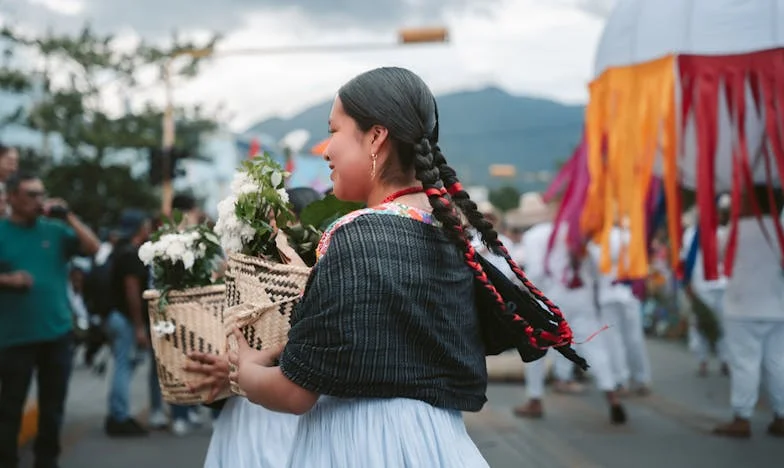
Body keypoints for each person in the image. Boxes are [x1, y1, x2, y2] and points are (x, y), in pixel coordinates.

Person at [225, 67, 577, 467]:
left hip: (359, 447)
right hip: (441, 445)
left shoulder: (355, 237)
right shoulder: (455, 236)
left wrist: (246, 371)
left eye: (334, 131)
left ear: (376, 137)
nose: (326, 150)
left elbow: (295, 393)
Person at [187, 187, 320, 467]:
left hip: (298, 417)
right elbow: (226, 346)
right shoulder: (241, 277)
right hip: (244, 421)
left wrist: (245, 371)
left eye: (280, 223)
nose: (272, 234)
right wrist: (225, 371)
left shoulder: (324, 279)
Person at [0, 171, 100, 468]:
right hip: (14, 336)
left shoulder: (55, 230)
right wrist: (7, 280)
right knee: (10, 408)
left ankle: (47, 461)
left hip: (56, 334)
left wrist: (68, 216)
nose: (38, 200)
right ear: (12, 197)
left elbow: (94, 248)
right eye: (30, 194)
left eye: (41, 194)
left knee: (53, 408)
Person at [713, 186, 784, 438]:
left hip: (742, 307)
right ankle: (780, 416)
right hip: (777, 306)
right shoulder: (780, 228)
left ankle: (742, 418)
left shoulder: (734, 230)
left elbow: (722, 256)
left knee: (745, 363)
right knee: (777, 362)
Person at [104, 209, 156, 437]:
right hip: (124, 319)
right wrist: (138, 326)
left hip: (115, 316)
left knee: (122, 364)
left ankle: (117, 412)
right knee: (123, 366)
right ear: (140, 229)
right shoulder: (131, 254)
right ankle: (120, 416)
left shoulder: (118, 251)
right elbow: (132, 291)